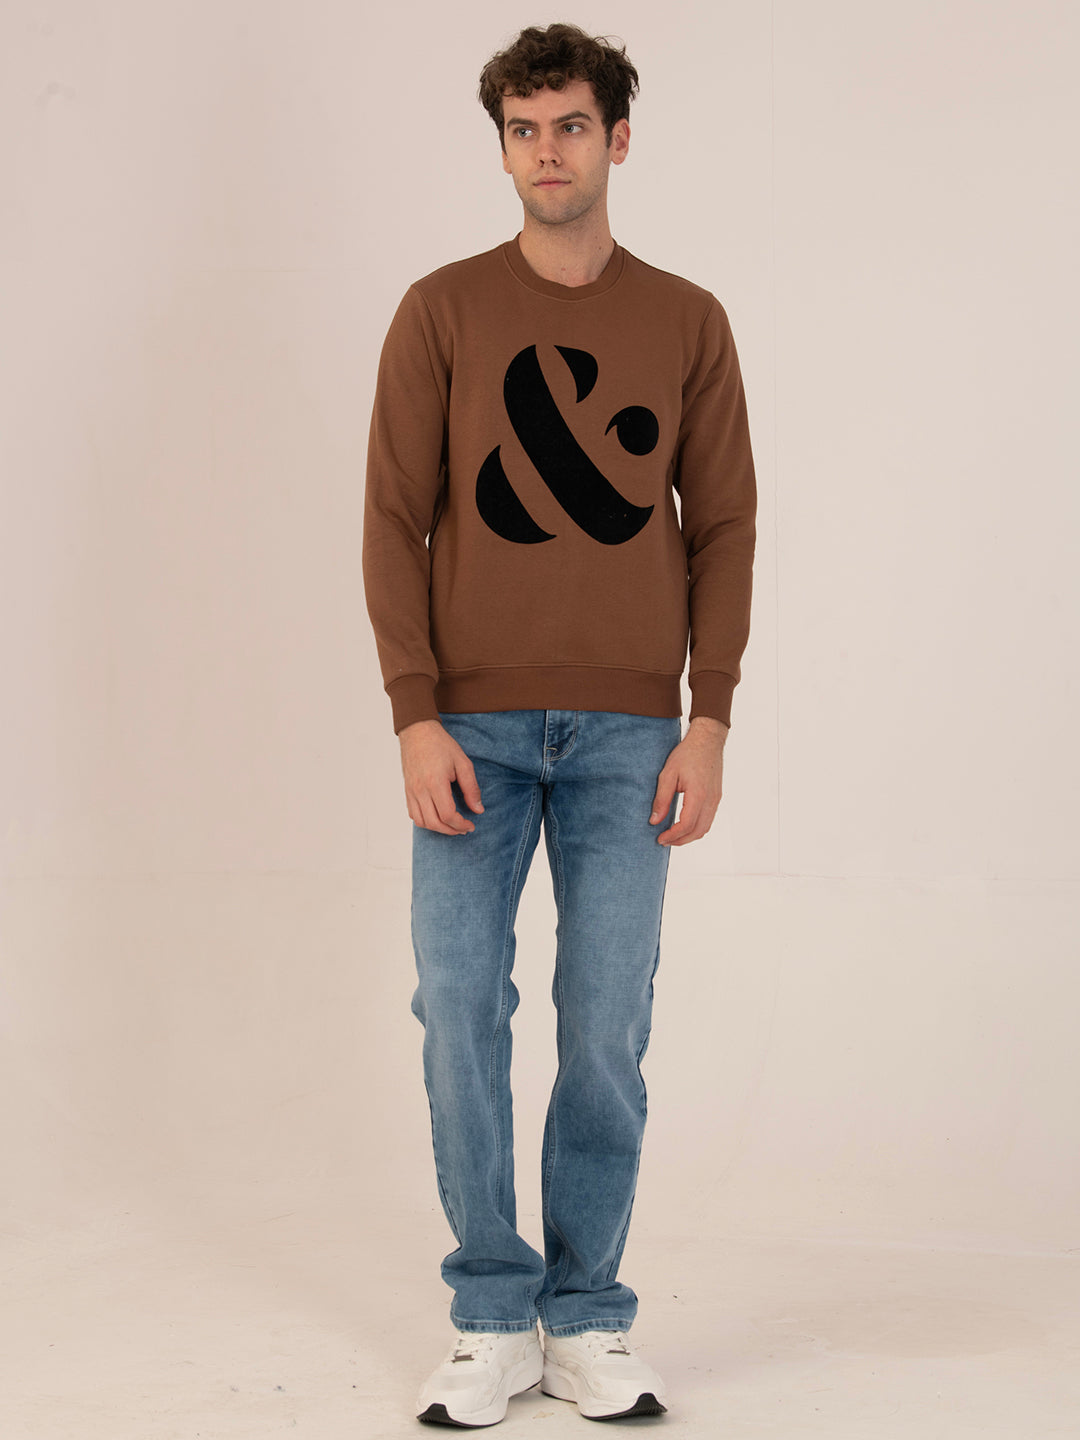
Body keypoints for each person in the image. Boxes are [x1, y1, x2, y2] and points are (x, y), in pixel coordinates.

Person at [362, 21, 756, 1427]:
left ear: (617, 139)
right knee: (458, 1007)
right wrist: (415, 715)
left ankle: (586, 1314)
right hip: (468, 731)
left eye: (571, 125)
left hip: (631, 738)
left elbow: (723, 523)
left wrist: (710, 719)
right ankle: (491, 1311)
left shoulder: (689, 321)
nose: (548, 151)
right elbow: (392, 519)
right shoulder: (441, 312)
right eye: (524, 129)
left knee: (605, 1025)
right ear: (503, 148)